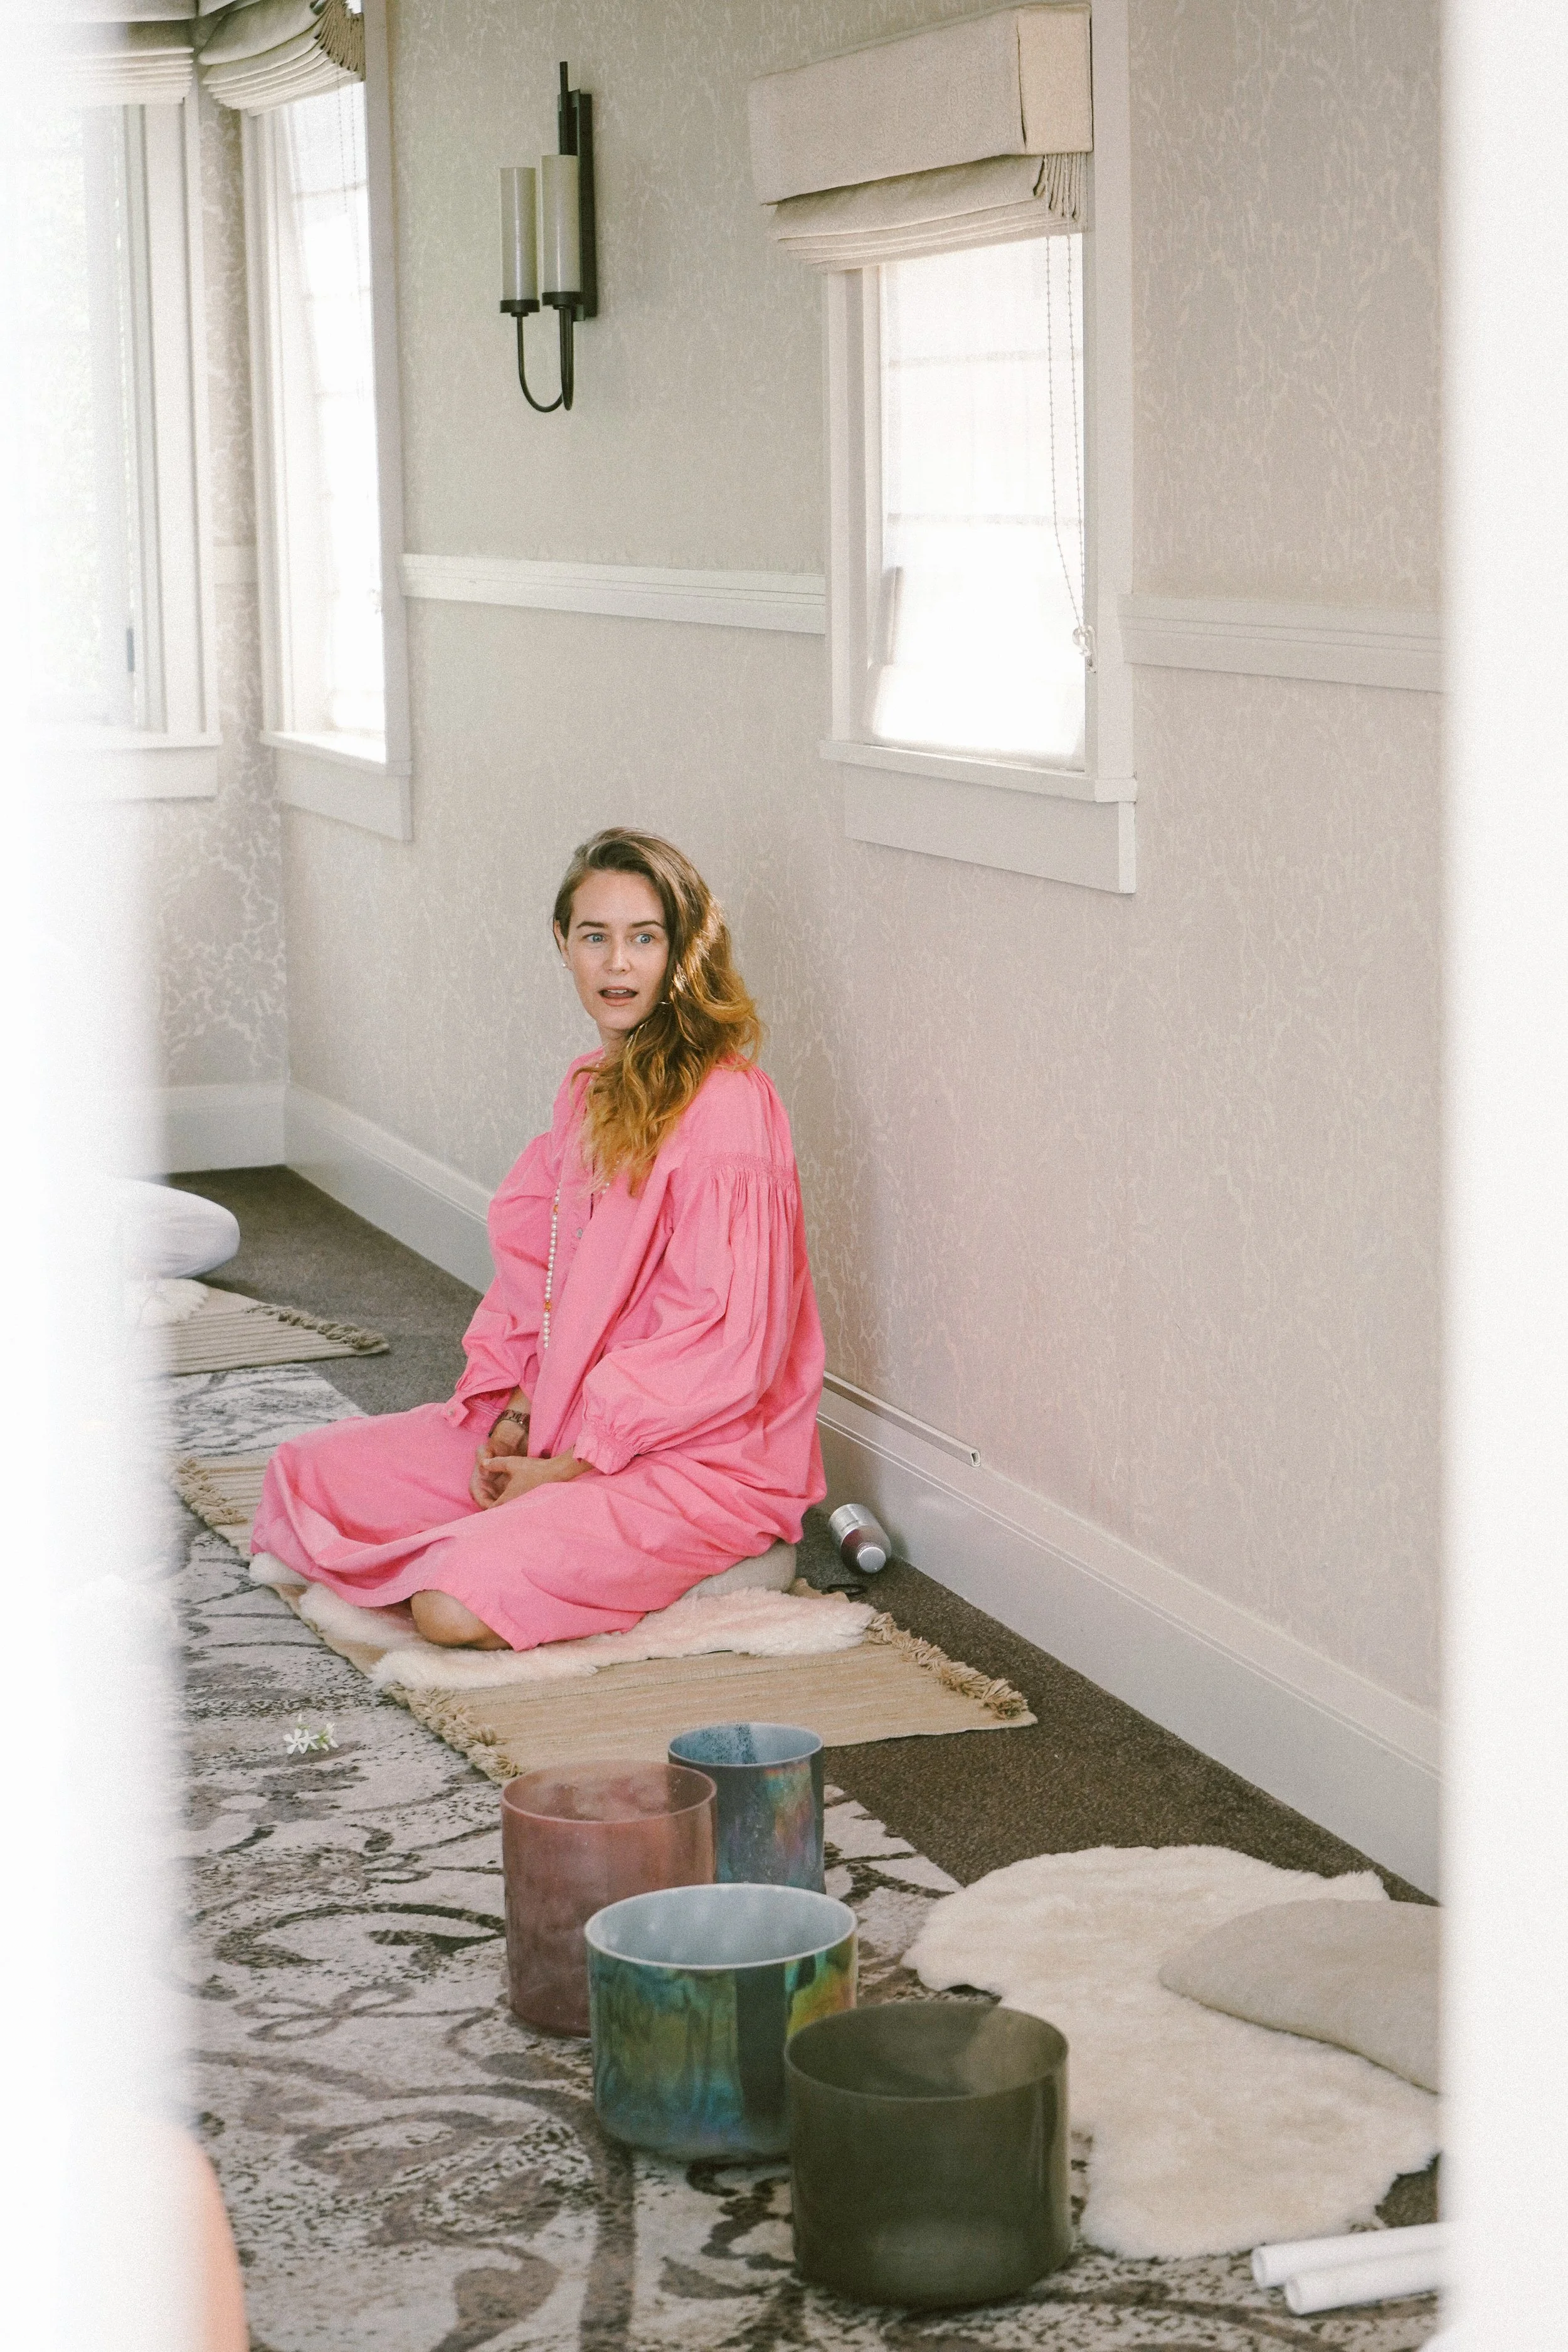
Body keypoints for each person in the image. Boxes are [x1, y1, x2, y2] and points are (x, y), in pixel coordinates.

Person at [251, 829, 826, 1650]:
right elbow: (540, 1278)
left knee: (448, 1607)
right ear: (563, 944)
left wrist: (571, 1465)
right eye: (596, 937)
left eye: (645, 938)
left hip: (690, 1464)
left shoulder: (731, 1106)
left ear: (682, 951)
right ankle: (521, 1538)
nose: (618, 965)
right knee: (303, 1477)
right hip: (562, 1426)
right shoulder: (585, 1090)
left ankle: (704, 1557)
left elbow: (724, 1344)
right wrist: (519, 1416)